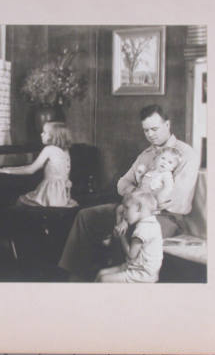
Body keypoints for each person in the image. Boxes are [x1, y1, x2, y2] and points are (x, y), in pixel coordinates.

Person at [58, 104, 200, 281]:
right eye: (146, 130)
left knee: (132, 231)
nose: (150, 134)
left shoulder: (186, 154)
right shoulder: (146, 154)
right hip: (132, 208)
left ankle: (119, 285)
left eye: (154, 129)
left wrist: (138, 198)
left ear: (168, 124)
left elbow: (176, 201)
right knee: (85, 216)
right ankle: (76, 280)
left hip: (165, 217)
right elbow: (122, 183)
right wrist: (135, 193)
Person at [103, 146, 182, 247]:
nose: (165, 162)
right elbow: (141, 185)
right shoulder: (150, 172)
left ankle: (121, 229)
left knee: (130, 211)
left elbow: (167, 188)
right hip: (139, 199)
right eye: (163, 158)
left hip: (150, 203)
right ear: (157, 158)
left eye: (170, 162)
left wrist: (159, 198)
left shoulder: (166, 176)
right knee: (120, 208)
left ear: (173, 168)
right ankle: (118, 229)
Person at [0, 121, 78, 208]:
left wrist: (8, 171)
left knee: (20, 200)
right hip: (63, 195)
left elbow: (31, 170)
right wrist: (12, 169)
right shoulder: (65, 151)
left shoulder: (49, 149)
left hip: (50, 195)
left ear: (53, 136)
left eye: (45, 132)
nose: (41, 134)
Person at [96, 191, 163, 283]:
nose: (124, 213)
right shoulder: (152, 223)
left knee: (104, 279)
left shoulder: (143, 229)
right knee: (101, 273)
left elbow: (131, 255)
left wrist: (122, 236)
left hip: (142, 273)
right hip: (135, 267)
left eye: (127, 208)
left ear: (139, 208)